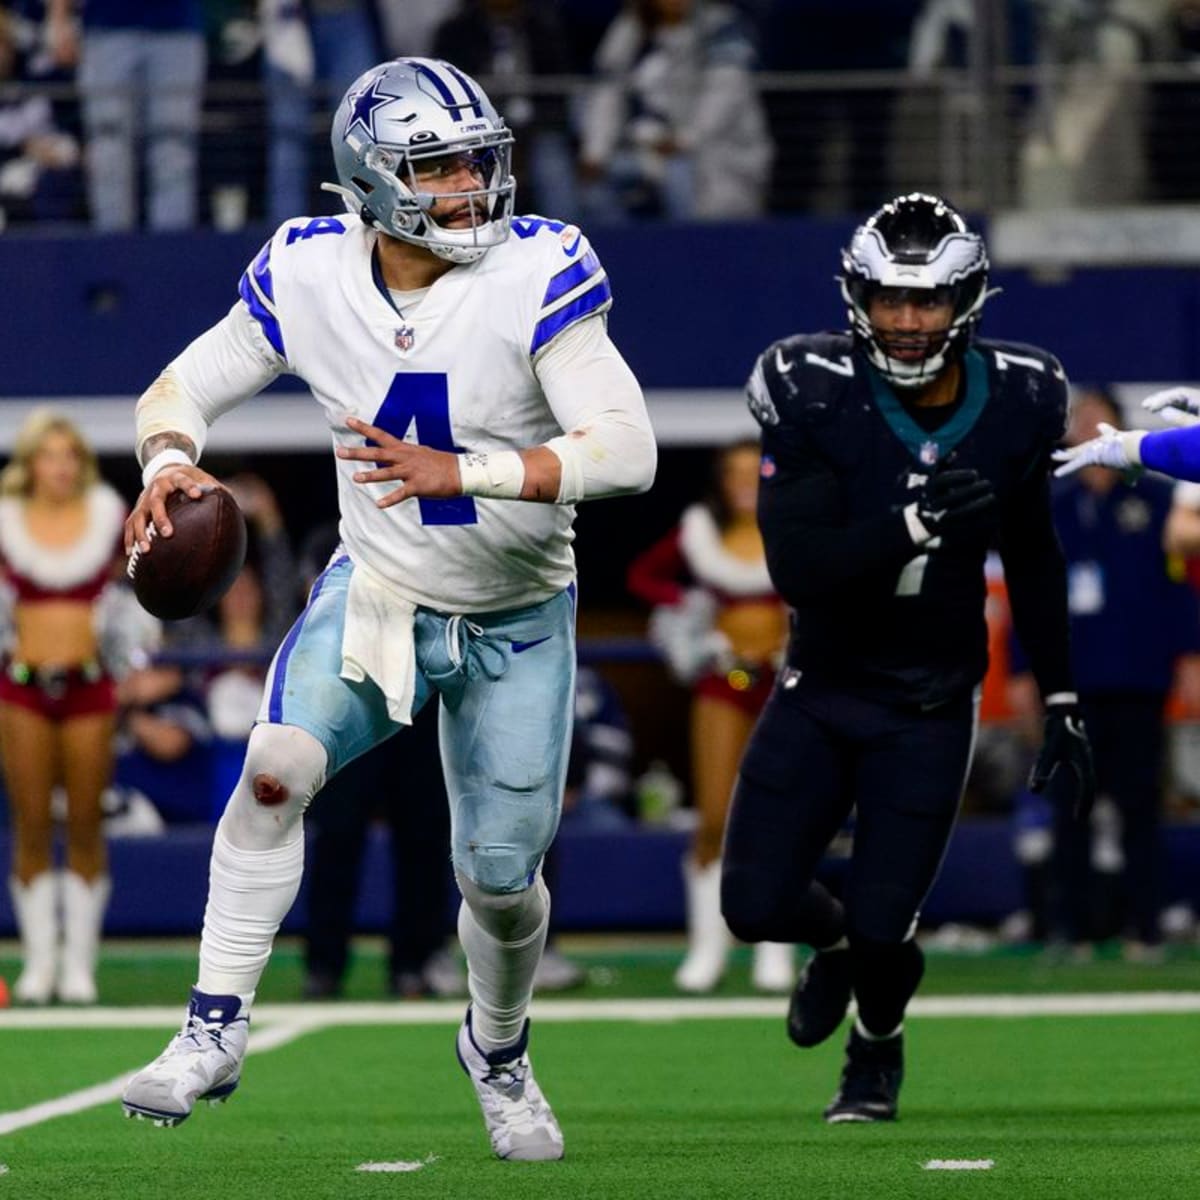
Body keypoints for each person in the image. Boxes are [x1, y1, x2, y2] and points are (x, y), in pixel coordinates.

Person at [118, 56, 656, 1163]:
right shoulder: (309, 271)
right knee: (274, 768)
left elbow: (631, 451)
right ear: (372, 181)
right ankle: (210, 1029)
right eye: (440, 165)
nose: (471, 183)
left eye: (477, 158)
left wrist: (471, 472)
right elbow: (185, 383)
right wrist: (169, 461)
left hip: (517, 613)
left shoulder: (537, 266)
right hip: (382, 594)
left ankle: (497, 1052)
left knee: (500, 882)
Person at [720, 192, 1094, 1124]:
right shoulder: (810, 384)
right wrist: (918, 521)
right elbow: (799, 569)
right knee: (756, 905)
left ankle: (874, 1051)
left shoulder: (1021, 394)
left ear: (966, 299)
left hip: (928, 701)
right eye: (890, 298)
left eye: (928, 301)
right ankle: (840, 946)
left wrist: (1061, 697)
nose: (908, 320)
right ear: (859, 295)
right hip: (821, 687)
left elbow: (1037, 559)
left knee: (895, 931)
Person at [1012, 387, 1200, 959]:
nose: (1090, 426)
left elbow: (1179, 589)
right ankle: (1070, 929)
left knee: (1142, 805)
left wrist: (1190, 658)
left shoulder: (1161, 500)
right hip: (1072, 677)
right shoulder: (1049, 502)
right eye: (1081, 418)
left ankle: (1144, 926)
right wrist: (1024, 670)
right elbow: (1028, 591)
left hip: (1140, 674)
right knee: (1070, 808)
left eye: (1102, 418)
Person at [0, 408, 158, 1005]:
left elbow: (135, 597)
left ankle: (79, 965)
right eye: (50, 454)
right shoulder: (7, 520)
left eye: (71, 455)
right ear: (31, 462)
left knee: (87, 821)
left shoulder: (107, 516)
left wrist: (132, 660)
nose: (62, 466)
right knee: (31, 823)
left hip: (90, 688)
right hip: (22, 687)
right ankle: (39, 963)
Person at [627, 439, 792, 993]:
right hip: (724, 681)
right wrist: (692, 612)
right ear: (720, 481)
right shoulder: (700, 530)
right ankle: (708, 949)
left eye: (755, 472)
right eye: (734, 473)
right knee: (716, 815)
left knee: (778, 814)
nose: (745, 483)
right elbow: (643, 575)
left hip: (784, 682)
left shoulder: (793, 521)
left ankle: (774, 948)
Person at [577, 0, 772, 221]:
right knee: (596, 191)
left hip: (711, 155)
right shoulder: (629, 28)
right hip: (640, 149)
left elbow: (726, 92)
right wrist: (595, 152)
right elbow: (608, 91)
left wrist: (683, 140)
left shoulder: (720, 25)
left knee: (681, 181)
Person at [45, 0, 207, 231]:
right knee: (108, 144)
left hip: (177, 25)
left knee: (174, 145)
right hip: (108, 25)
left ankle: (172, 250)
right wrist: (58, 17)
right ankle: (111, 250)